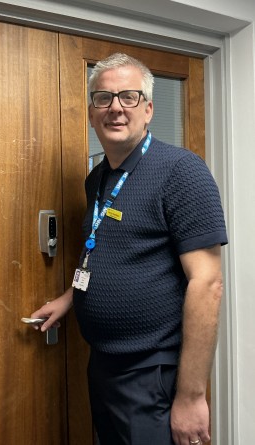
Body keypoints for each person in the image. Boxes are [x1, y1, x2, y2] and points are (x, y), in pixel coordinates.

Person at [31, 53, 227, 445]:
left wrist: (191, 396)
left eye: (129, 97)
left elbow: (207, 283)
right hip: (104, 364)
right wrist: (70, 298)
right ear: (91, 112)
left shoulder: (182, 171)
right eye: (103, 98)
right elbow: (111, 253)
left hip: (152, 373)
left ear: (149, 109)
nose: (116, 108)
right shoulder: (97, 179)